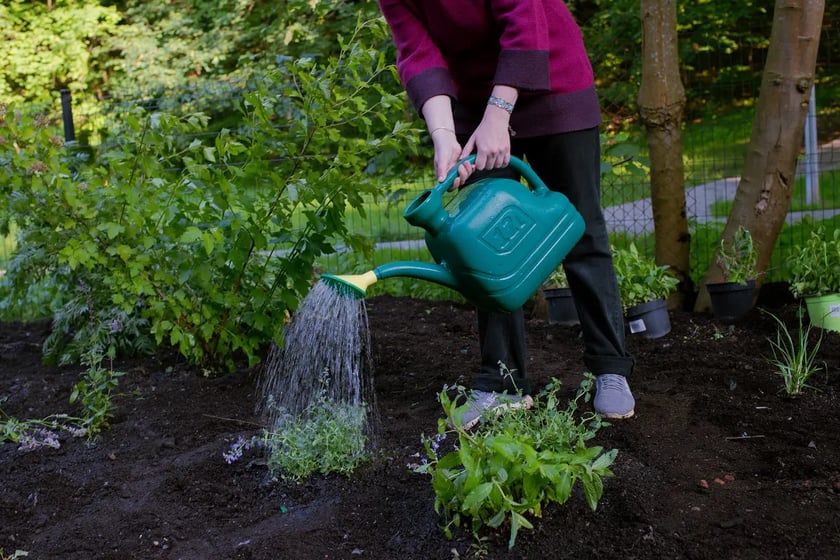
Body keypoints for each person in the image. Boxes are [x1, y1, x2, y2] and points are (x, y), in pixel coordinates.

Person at [377, 0, 635, 427]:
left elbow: (524, 19)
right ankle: (503, 384)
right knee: (484, 244)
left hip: (554, 85)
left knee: (581, 231)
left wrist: (500, 115)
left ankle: (610, 368)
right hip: (473, 107)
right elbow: (417, 53)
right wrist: (444, 136)